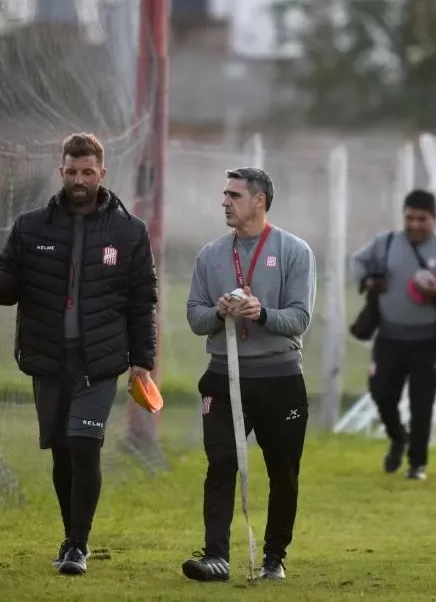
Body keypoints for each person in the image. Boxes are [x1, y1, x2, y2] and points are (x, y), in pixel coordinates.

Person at [0, 133, 157, 575]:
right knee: (60, 450)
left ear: (102, 173)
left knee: (83, 444)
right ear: (61, 172)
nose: (79, 179)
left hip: (101, 359)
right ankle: (69, 532)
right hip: (48, 357)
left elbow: (142, 299)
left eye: (87, 172)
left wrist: (142, 359)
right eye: (72, 172)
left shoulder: (129, 232)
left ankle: (77, 544)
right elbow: (11, 280)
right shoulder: (32, 226)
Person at [183, 167, 316, 582]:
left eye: (234, 195)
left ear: (259, 201)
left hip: (280, 379)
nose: (225, 202)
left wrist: (260, 313)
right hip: (223, 377)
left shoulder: (295, 251)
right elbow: (194, 316)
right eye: (225, 195)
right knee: (221, 461)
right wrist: (219, 312)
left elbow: (300, 318)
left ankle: (274, 557)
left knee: (283, 470)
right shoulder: (210, 255)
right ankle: (216, 557)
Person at [351, 189, 436, 481]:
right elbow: (357, 262)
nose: (415, 224)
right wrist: (368, 280)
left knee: (422, 403)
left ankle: (417, 464)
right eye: (410, 218)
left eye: (422, 219)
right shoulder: (386, 243)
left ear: (434, 219)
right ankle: (397, 437)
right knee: (380, 391)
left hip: (428, 341)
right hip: (390, 337)